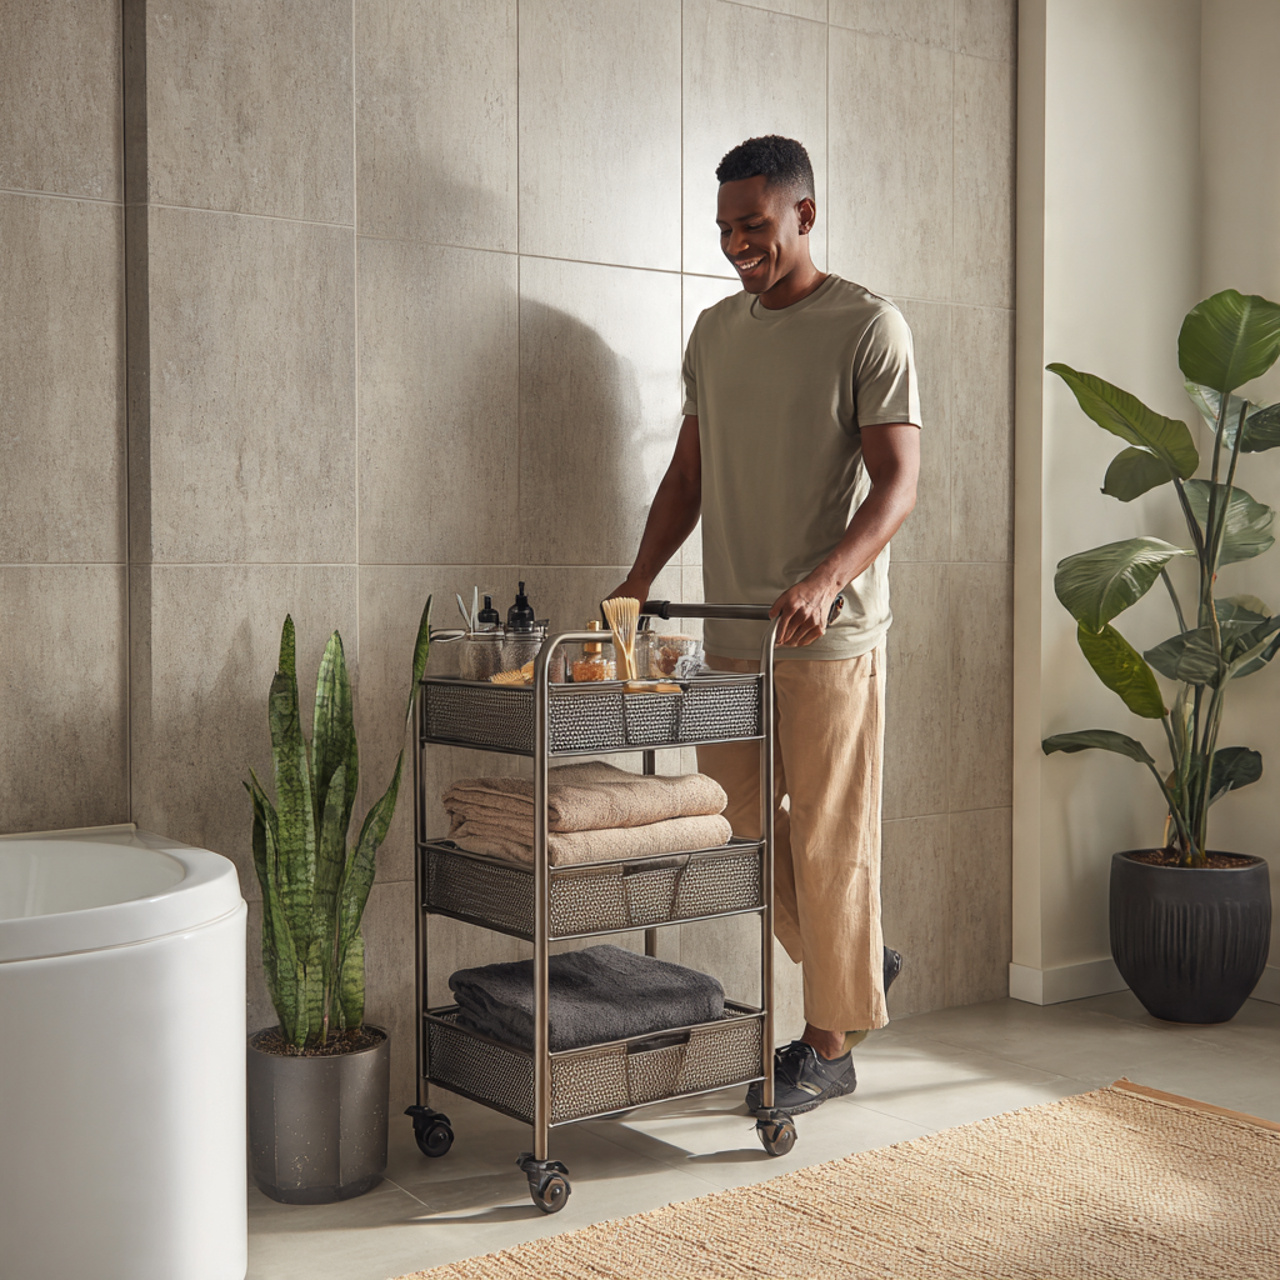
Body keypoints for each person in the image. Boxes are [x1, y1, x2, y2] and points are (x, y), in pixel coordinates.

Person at [610, 135, 921, 1116]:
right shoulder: (713, 332)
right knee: (731, 828)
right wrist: (633, 580)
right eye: (723, 228)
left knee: (826, 839)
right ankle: (854, 957)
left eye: (752, 224)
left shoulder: (866, 326)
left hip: (827, 638)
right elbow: (685, 480)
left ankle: (825, 1043)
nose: (735, 243)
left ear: (803, 215)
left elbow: (898, 482)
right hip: (732, 632)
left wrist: (826, 578)